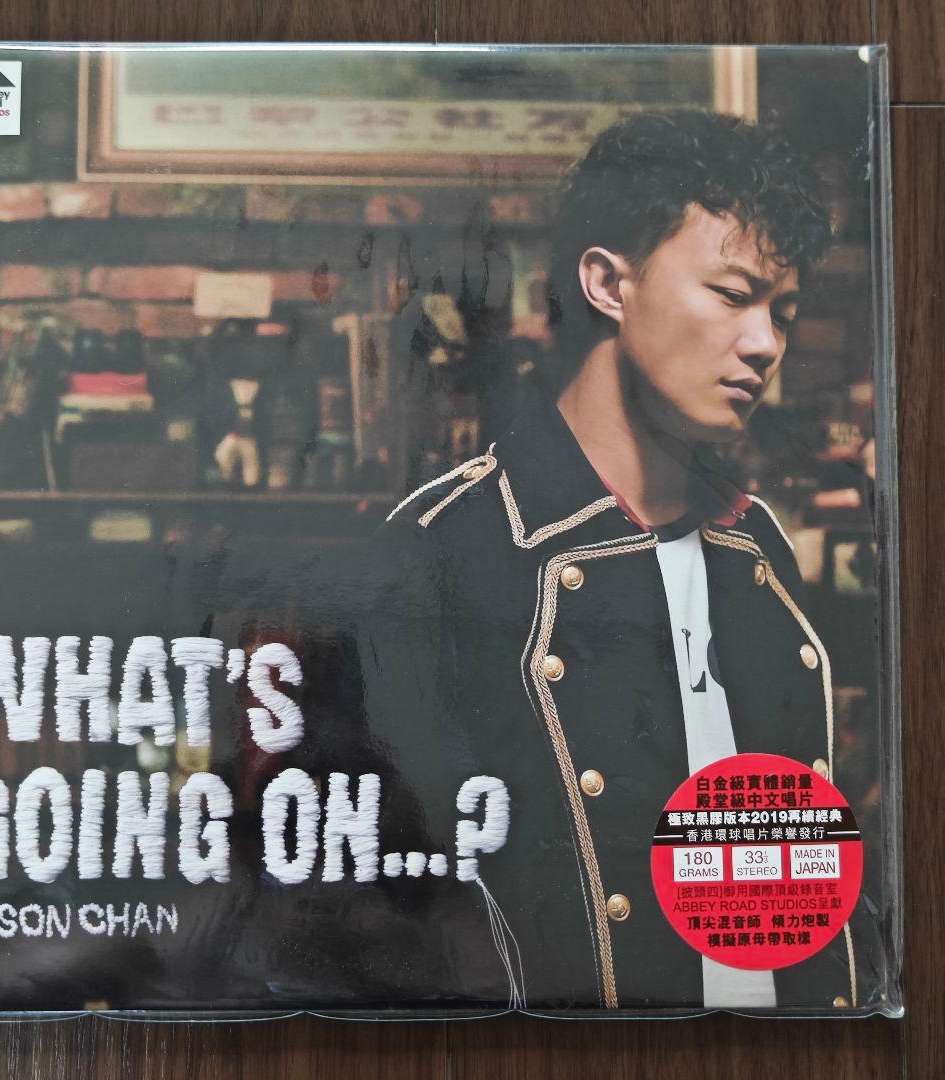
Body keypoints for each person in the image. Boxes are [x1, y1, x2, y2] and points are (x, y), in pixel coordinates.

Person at [355, 109, 885, 1011]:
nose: (766, 343)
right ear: (607, 283)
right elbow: (393, 910)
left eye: (784, 313)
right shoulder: (443, 548)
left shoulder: (754, 545)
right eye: (734, 295)